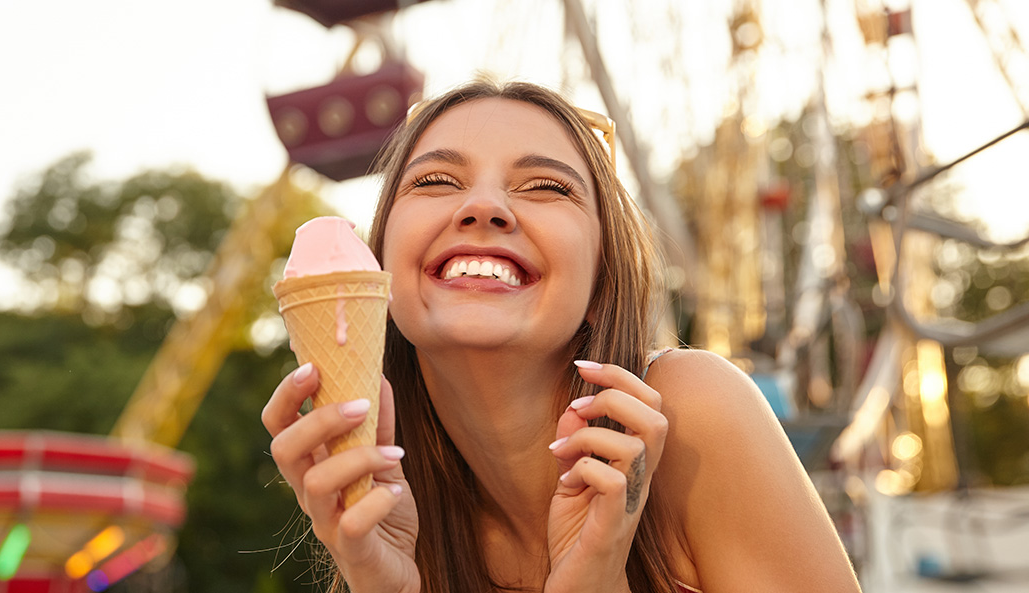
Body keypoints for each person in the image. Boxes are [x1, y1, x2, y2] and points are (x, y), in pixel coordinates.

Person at [262, 79, 861, 593]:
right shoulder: (395, 517)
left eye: (547, 187)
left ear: (602, 282)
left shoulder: (692, 415)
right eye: (437, 180)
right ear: (379, 271)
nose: (484, 206)